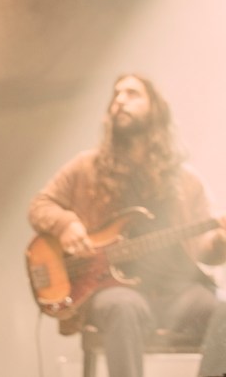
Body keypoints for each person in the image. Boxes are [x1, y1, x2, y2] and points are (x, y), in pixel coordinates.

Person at [28, 74, 226, 377]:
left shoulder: (186, 181)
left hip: (178, 295)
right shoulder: (86, 166)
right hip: (113, 291)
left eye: (132, 93)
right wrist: (66, 224)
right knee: (124, 307)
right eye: (116, 94)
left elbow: (206, 250)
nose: (120, 99)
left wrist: (221, 242)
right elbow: (40, 206)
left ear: (155, 110)